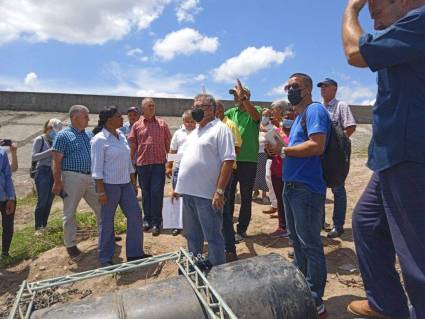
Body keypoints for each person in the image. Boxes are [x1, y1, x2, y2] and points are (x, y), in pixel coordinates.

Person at [342, 1, 425, 318]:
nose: (370, 8)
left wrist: (351, 9)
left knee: (417, 261)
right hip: (393, 157)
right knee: (367, 222)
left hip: (412, 157)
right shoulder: (405, 35)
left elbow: (355, 53)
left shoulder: (420, 21)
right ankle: (386, 305)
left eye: (375, 1)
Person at [271, 73, 331, 318]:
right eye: (287, 86)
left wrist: (283, 150)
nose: (290, 90)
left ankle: (315, 298)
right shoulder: (297, 118)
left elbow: (317, 145)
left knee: (310, 243)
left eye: (294, 86)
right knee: (296, 242)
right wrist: (279, 148)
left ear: (307, 89)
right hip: (292, 186)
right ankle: (302, 287)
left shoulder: (314, 111)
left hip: (306, 188)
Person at [174, 94, 235, 266]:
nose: (196, 109)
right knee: (192, 237)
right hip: (189, 194)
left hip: (207, 196)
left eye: (201, 106)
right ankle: (197, 268)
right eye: (194, 106)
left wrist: (219, 191)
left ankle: (218, 275)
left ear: (212, 109)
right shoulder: (195, 132)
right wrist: (179, 187)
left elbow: (228, 161)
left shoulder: (221, 129)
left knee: (213, 237)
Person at [91, 106, 148, 266]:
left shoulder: (122, 135)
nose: (122, 118)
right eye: (119, 116)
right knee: (107, 220)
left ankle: (135, 253)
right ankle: (105, 257)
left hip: (125, 185)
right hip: (109, 186)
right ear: (109, 120)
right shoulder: (99, 140)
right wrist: (101, 191)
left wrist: (133, 181)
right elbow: (96, 169)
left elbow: (128, 161)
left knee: (136, 215)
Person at [52, 105, 101, 261]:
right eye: (86, 116)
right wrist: (57, 181)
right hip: (72, 177)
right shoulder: (63, 136)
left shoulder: (87, 134)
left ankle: (105, 235)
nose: (89, 119)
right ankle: (70, 245)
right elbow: (57, 160)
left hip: (90, 177)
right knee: (70, 211)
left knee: (101, 206)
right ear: (75, 118)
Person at [318, 78, 356, 238]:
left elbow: (351, 127)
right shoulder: (319, 108)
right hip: (320, 155)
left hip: (336, 157)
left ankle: (337, 225)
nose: (322, 89)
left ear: (334, 89)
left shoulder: (341, 106)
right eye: (321, 87)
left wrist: (338, 146)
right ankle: (319, 222)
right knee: (319, 189)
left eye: (326, 87)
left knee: (338, 189)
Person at [225, 80, 261, 242]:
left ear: (246, 96)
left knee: (246, 196)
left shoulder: (256, 110)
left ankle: (242, 229)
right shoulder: (230, 112)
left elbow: (255, 116)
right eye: (234, 95)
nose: (235, 98)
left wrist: (245, 100)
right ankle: (227, 227)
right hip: (230, 161)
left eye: (238, 95)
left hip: (248, 160)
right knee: (228, 195)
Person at [129, 98, 171, 237]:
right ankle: (146, 220)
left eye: (153, 106)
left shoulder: (162, 124)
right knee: (146, 193)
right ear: (143, 109)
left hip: (159, 164)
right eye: (149, 106)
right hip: (142, 164)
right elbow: (133, 145)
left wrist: (169, 163)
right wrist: (130, 162)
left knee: (157, 193)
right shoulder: (136, 125)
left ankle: (156, 223)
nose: (152, 108)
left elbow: (167, 144)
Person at [215, 100, 242, 262]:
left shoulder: (230, 125)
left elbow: (237, 148)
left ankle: (230, 249)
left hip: (226, 173)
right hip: (212, 173)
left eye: (215, 109)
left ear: (220, 110)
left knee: (224, 212)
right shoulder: (211, 126)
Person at [166, 109, 196, 236]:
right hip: (179, 168)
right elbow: (173, 150)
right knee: (177, 196)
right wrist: (169, 166)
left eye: (191, 121)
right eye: (186, 121)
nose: (189, 124)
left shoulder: (200, 132)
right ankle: (176, 224)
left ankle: (192, 223)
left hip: (194, 170)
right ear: (183, 121)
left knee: (193, 197)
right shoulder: (178, 133)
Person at [265, 100, 293, 238]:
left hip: (291, 172)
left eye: (290, 118)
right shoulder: (275, 131)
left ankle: (292, 228)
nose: (287, 120)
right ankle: (282, 226)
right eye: (285, 118)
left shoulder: (296, 133)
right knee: (281, 200)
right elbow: (270, 151)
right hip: (276, 170)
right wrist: (269, 150)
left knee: (291, 201)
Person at [32, 118, 63, 235]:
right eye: (51, 128)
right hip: (42, 171)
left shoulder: (57, 140)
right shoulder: (39, 139)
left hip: (53, 172)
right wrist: (50, 151)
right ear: (47, 128)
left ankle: (44, 225)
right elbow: (34, 157)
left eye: (55, 129)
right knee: (42, 200)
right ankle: (38, 227)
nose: (52, 131)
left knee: (50, 200)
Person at [0, 140, 17, 259]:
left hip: (5, 196)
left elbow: (7, 175)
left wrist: (11, 197)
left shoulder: (2, 153)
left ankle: (5, 253)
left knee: (7, 225)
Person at [252, 109, 270, 204]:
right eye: (264, 115)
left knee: (263, 174)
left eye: (267, 115)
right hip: (254, 153)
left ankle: (264, 195)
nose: (265, 117)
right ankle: (255, 191)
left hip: (264, 154)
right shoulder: (256, 125)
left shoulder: (271, 127)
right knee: (254, 174)